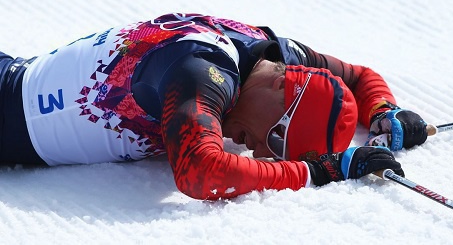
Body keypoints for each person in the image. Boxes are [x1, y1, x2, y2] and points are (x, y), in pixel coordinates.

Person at [0, 13, 427, 200]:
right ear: (281, 87)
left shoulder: (271, 54)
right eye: (275, 138)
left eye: (278, 154)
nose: (259, 152)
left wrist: (384, 112)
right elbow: (201, 172)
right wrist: (318, 171)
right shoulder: (203, 74)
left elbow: (356, 76)